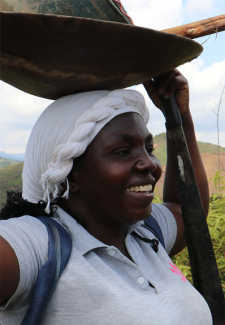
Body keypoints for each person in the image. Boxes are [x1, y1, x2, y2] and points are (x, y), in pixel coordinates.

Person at [0, 69, 212, 325]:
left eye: (148, 148)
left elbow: (186, 208)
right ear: (70, 174)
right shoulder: (38, 246)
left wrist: (179, 118)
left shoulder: (145, 234)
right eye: (122, 151)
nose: (150, 164)